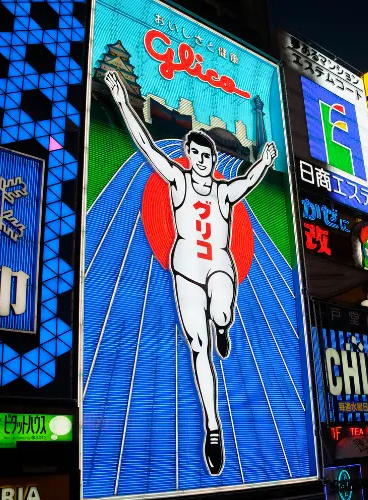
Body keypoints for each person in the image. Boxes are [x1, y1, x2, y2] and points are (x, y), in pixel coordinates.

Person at [103, 69, 279, 475]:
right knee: (199, 350)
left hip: (218, 264)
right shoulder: (178, 181)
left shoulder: (223, 191)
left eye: (207, 155)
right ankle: (213, 427)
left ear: (214, 160)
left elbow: (248, 180)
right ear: (188, 155)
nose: (201, 160)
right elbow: (146, 146)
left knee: (222, 309)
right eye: (195, 154)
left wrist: (266, 161)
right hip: (185, 269)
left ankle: (224, 324)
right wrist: (121, 99)